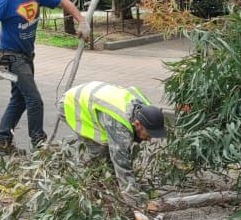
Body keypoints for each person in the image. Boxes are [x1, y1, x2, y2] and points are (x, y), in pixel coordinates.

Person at [0, 0, 88, 151]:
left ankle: (2, 142)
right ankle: (39, 142)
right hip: (12, 58)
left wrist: (81, 21)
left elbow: (64, 2)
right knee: (34, 98)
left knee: (19, 99)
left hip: (28, 57)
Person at [61, 81, 168, 209]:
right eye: (149, 134)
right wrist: (136, 205)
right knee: (99, 153)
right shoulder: (120, 127)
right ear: (138, 124)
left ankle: (109, 187)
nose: (149, 139)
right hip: (73, 105)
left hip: (92, 96)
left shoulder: (144, 109)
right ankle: (94, 193)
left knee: (111, 153)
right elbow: (122, 165)